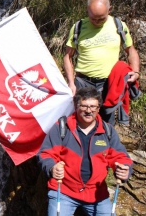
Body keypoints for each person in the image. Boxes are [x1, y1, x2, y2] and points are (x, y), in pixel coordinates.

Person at [38, 87, 133, 215]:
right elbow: (46, 153)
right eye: (84, 106)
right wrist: (51, 167)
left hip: (96, 194)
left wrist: (124, 169)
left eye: (93, 107)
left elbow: (121, 157)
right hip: (64, 190)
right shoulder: (62, 127)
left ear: (99, 108)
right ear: (76, 106)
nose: (89, 111)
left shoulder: (108, 131)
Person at [63, 0, 140, 120]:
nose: (97, 22)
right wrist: (71, 83)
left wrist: (135, 72)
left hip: (108, 84)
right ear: (87, 10)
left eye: (101, 19)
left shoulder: (119, 25)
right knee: (81, 120)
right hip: (83, 83)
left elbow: (131, 51)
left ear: (109, 10)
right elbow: (67, 56)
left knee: (106, 122)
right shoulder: (78, 27)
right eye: (93, 18)